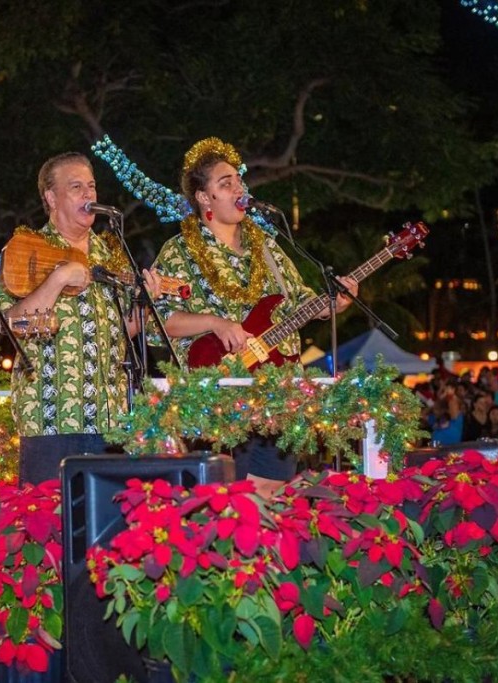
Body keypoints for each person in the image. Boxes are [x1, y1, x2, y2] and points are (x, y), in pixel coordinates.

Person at [150, 137, 358, 498]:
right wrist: (216, 323)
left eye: (239, 181)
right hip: (219, 397)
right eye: (225, 183)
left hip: (277, 396)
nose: (238, 189)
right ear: (203, 197)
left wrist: (333, 304)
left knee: (273, 498)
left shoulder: (268, 247)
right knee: (229, 501)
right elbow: (160, 322)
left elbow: (301, 302)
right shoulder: (179, 252)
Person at [0, 152, 161, 485]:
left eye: (91, 186)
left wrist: (146, 303)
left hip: (109, 416)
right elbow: (11, 324)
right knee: (50, 525)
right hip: (50, 415)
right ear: (51, 198)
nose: (89, 195)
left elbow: (121, 331)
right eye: (76, 187)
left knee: (107, 526)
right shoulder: (26, 249)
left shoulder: (112, 255)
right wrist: (57, 279)